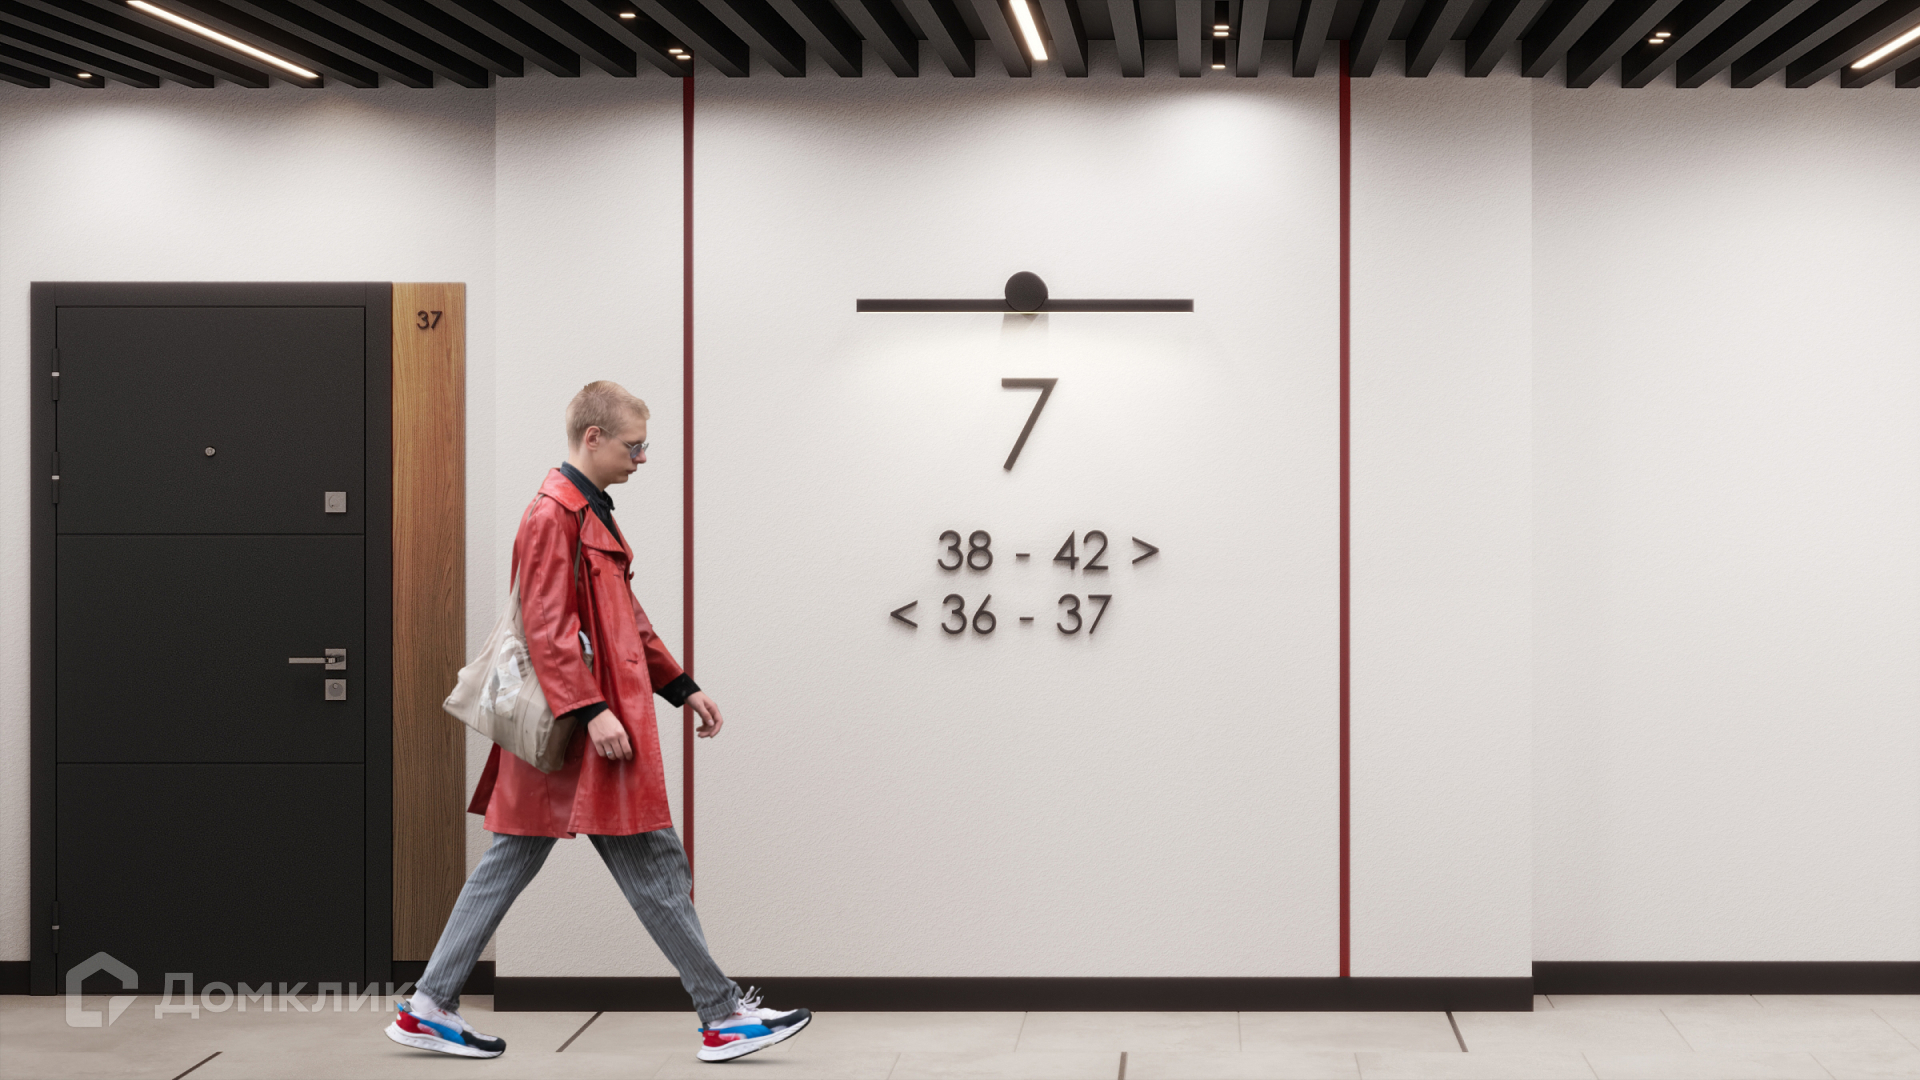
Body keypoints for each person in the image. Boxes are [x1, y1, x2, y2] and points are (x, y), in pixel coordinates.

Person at [384, 381, 810, 1064]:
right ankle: (723, 1014)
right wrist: (592, 710)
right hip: (585, 729)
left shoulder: (586, 512)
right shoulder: (552, 514)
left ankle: (429, 1004)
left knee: (524, 863)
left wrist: (682, 686)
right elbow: (546, 626)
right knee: (648, 865)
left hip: (582, 727)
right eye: (634, 446)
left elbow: (624, 622)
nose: (642, 458)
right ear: (593, 437)